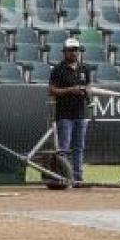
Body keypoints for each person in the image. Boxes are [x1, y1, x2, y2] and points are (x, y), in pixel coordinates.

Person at [47, 37, 91, 185]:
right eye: (71, 50)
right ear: (65, 52)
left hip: (80, 112)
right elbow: (51, 90)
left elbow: (89, 86)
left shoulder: (85, 68)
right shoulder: (58, 69)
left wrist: (87, 91)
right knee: (64, 148)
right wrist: (70, 90)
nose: (74, 53)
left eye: (76, 50)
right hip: (64, 114)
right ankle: (63, 176)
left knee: (79, 147)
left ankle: (78, 177)